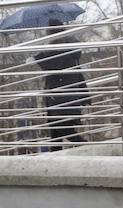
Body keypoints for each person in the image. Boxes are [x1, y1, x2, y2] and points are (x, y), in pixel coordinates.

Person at [34, 20, 89, 149]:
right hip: (67, 93)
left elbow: (52, 67)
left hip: (61, 94)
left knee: (60, 126)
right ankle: (55, 154)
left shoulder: (59, 47)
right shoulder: (68, 46)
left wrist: (38, 57)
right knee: (56, 128)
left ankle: (84, 145)